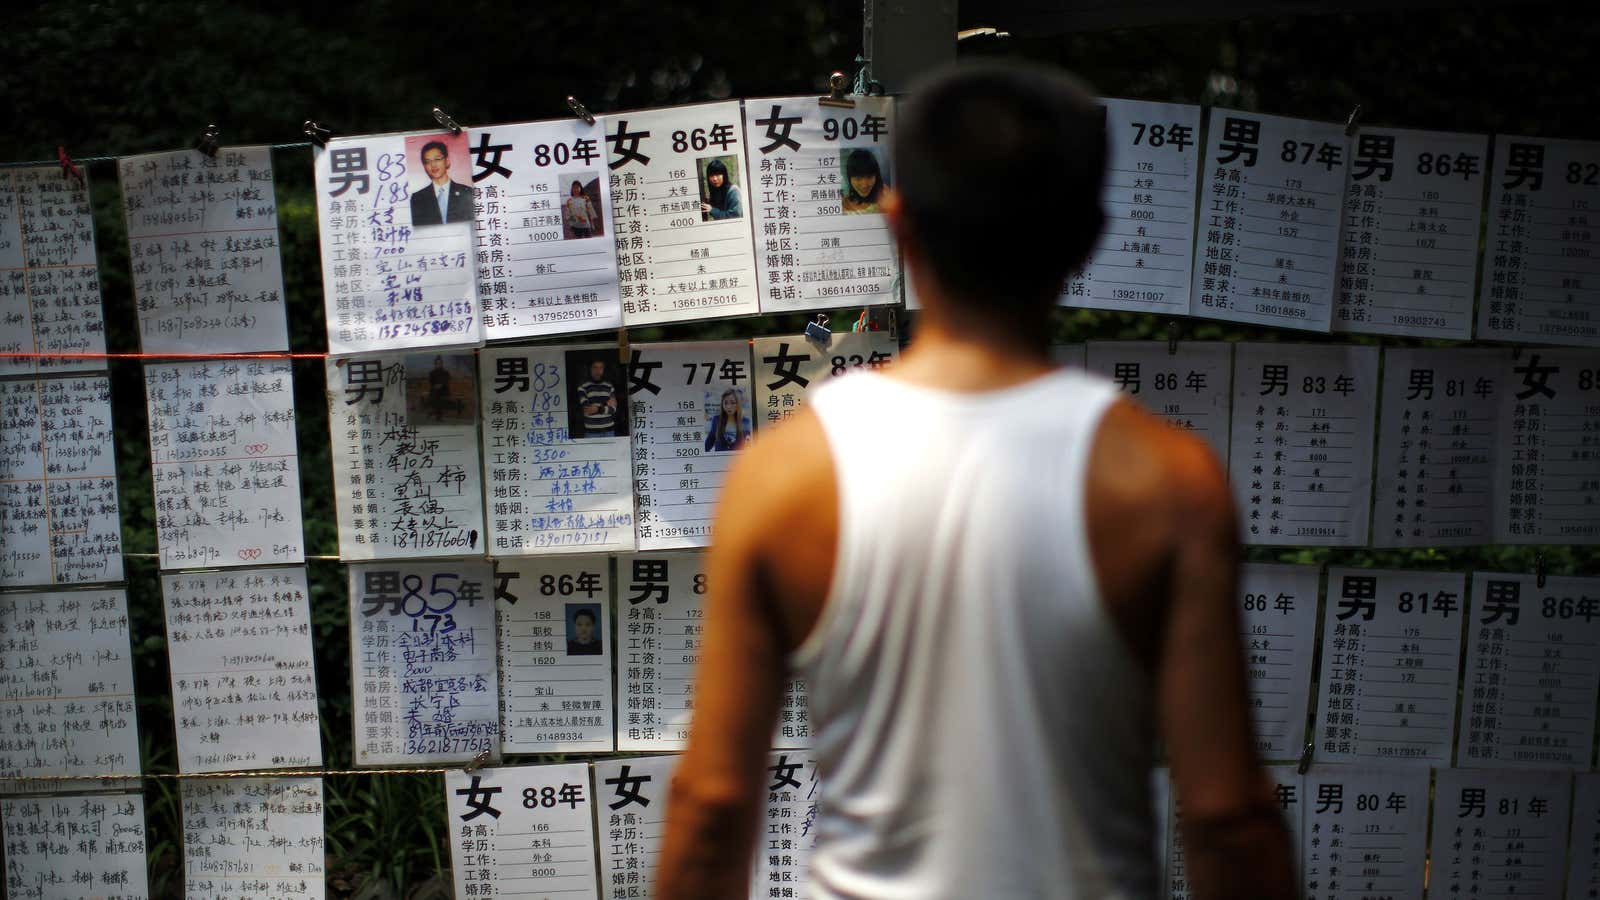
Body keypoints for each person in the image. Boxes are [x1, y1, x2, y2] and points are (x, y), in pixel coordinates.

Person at [655, 59, 1295, 900]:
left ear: (898, 224)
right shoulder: (1166, 483)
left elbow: (711, 804)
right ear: (1086, 238)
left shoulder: (779, 477)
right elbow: (1227, 818)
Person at [409, 140, 475, 226]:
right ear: (424, 166)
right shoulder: (417, 199)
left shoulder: (467, 192)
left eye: (437, 159)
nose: (433, 165)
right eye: (428, 161)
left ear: (447, 161)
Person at [575, 359, 619, 437]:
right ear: (590, 369)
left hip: (609, 431)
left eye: (601, 368)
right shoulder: (583, 387)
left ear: (603, 370)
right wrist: (605, 404)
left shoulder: (609, 386)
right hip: (591, 432)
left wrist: (597, 408)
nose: (598, 371)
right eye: (595, 367)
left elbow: (613, 409)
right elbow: (588, 409)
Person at [841, 148, 886, 214]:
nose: (864, 185)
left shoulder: (885, 195)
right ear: (849, 178)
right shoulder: (843, 205)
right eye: (858, 178)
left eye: (869, 177)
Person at [426, 355, 452, 421]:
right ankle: (438, 415)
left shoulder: (446, 372)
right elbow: (431, 382)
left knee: (437, 394)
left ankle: (435, 413)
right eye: (437, 363)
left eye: (440, 363)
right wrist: (435, 385)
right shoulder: (432, 373)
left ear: (442, 364)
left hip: (444, 389)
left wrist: (441, 385)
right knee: (436, 394)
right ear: (435, 364)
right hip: (434, 390)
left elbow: (446, 381)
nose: (438, 365)